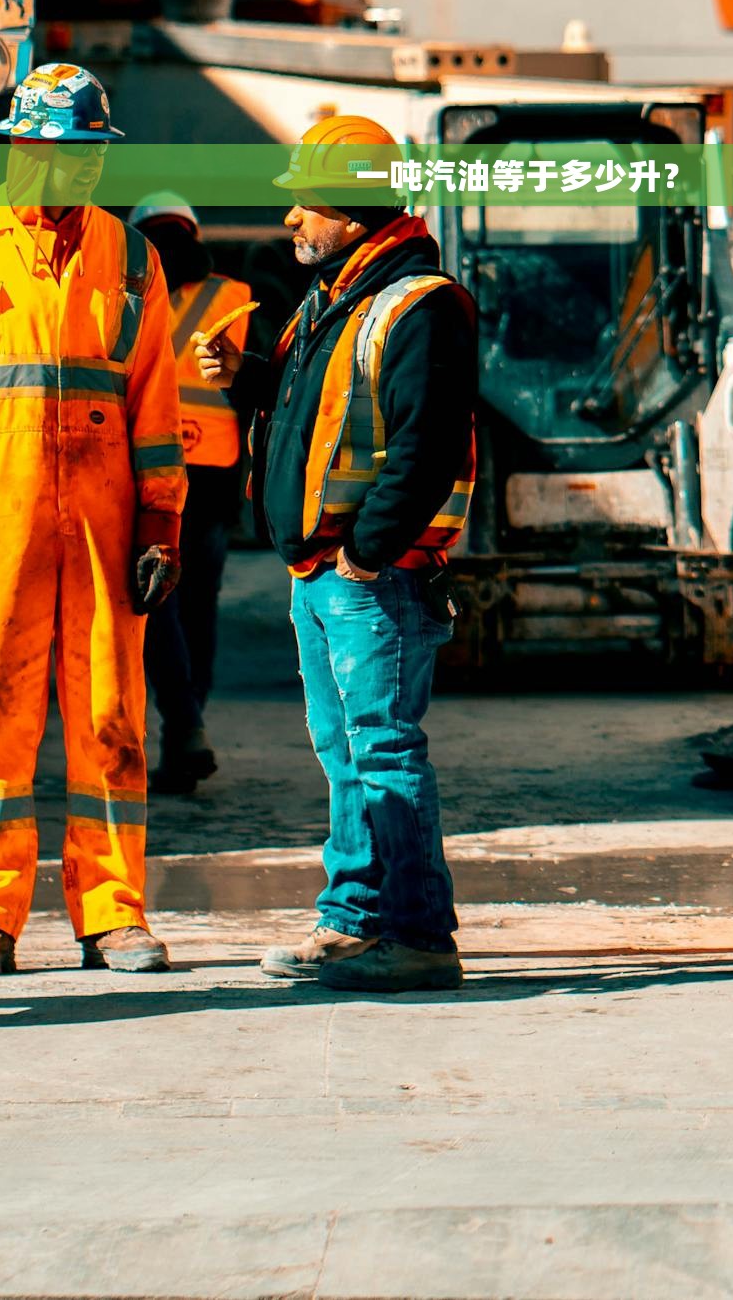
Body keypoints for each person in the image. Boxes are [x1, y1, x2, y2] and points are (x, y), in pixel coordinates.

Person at [0, 63, 186, 978]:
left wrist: (161, 529)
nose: (78, 173)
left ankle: (113, 915)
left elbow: (155, 410)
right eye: (63, 153)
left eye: (91, 156)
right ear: (22, 148)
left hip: (104, 539)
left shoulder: (134, 259)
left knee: (111, 723)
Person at [193, 115, 477, 994]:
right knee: (347, 752)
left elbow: (425, 449)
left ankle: (419, 935)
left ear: (352, 213)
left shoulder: (421, 302)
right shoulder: (340, 296)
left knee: (383, 752)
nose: (293, 223)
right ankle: (354, 919)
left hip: (369, 579)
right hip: (324, 572)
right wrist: (247, 379)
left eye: (307, 206)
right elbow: (325, 404)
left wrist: (366, 552)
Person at [128, 190, 250, 794]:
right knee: (200, 603)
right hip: (216, 472)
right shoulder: (235, 295)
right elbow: (260, 385)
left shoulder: (125, 288)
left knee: (159, 605)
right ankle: (189, 727)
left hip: (148, 470)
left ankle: (184, 723)